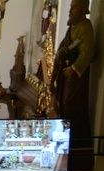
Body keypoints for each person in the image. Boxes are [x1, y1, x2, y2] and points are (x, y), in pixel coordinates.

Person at [51, 0, 94, 145]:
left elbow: (87, 52)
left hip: (76, 77)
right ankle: (66, 137)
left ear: (82, 9)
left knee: (70, 104)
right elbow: (64, 46)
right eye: (70, 7)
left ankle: (75, 140)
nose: (70, 10)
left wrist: (74, 68)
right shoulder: (72, 28)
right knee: (63, 104)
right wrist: (59, 55)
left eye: (73, 7)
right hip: (67, 74)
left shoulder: (85, 26)